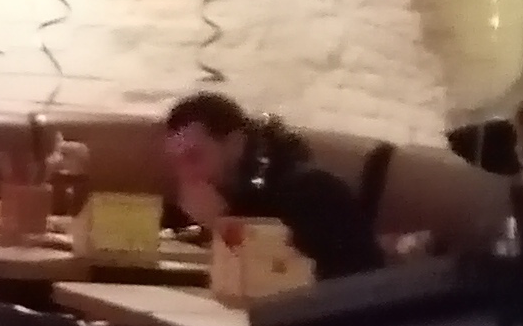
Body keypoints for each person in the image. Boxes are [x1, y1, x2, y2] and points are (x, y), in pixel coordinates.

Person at [160, 90, 382, 283]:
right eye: (177, 162)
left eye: (194, 157)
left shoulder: (310, 192)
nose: (186, 175)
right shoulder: (222, 190)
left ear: (235, 143)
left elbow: (284, 279)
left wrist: (222, 224)